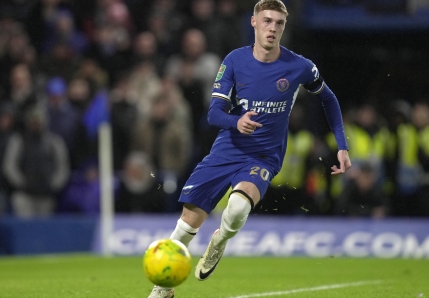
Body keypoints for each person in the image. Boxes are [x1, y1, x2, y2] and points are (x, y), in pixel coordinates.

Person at [147, 1, 352, 297]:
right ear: (254, 22)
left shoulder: (300, 67)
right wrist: (236, 120)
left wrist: (342, 146)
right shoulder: (234, 60)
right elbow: (213, 113)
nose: (273, 28)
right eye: (267, 21)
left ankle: (219, 242)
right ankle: (163, 288)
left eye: (279, 23)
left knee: (239, 207)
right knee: (185, 225)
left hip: (264, 156)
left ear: (285, 26)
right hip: (226, 150)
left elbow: (329, 99)